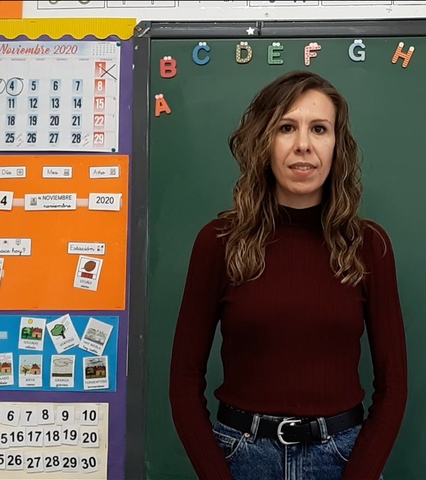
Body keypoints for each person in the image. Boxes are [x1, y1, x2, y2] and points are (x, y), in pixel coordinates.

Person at [169, 70, 408, 480]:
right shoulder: (218, 242)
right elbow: (183, 382)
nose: (303, 145)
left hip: (343, 458)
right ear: (264, 141)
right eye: (286, 128)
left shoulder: (369, 245)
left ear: (337, 144)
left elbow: (394, 385)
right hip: (242, 457)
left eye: (319, 129)